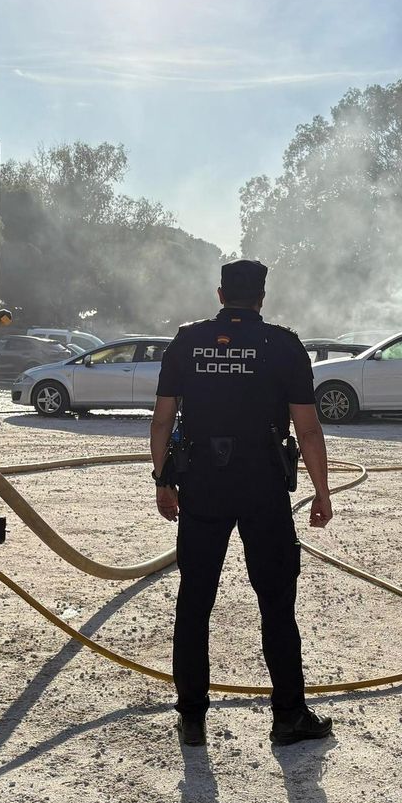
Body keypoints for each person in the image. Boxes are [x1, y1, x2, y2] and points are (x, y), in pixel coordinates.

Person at [150, 259, 335, 748]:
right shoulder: (283, 345)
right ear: (261, 298)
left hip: (203, 486)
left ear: (219, 294)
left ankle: (192, 718)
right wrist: (321, 490)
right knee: (276, 602)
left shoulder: (187, 342)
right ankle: (289, 717)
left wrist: (163, 482)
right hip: (262, 488)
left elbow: (161, 421)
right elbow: (308, 427)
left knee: (196, 600)